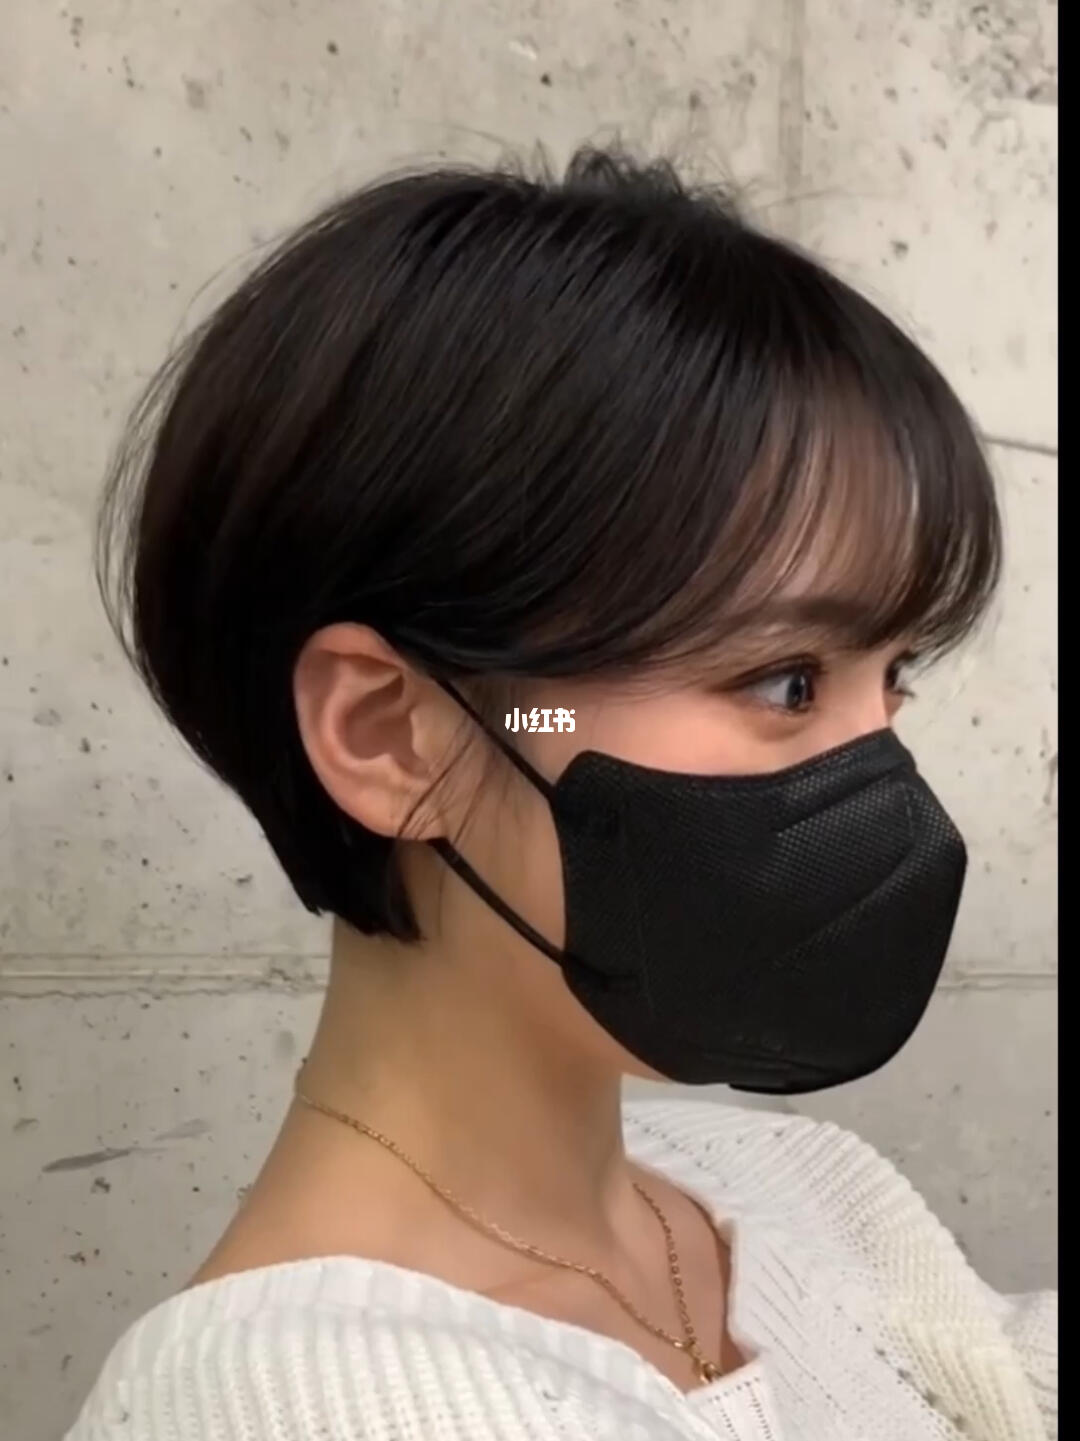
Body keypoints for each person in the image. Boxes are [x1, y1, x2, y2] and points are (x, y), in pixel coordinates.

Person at [65, 145, 1056, 1441]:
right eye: (787, 681)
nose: (885, 780)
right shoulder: (278, 1411)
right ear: (395, 732)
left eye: (896, 677)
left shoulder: (794, 1185)